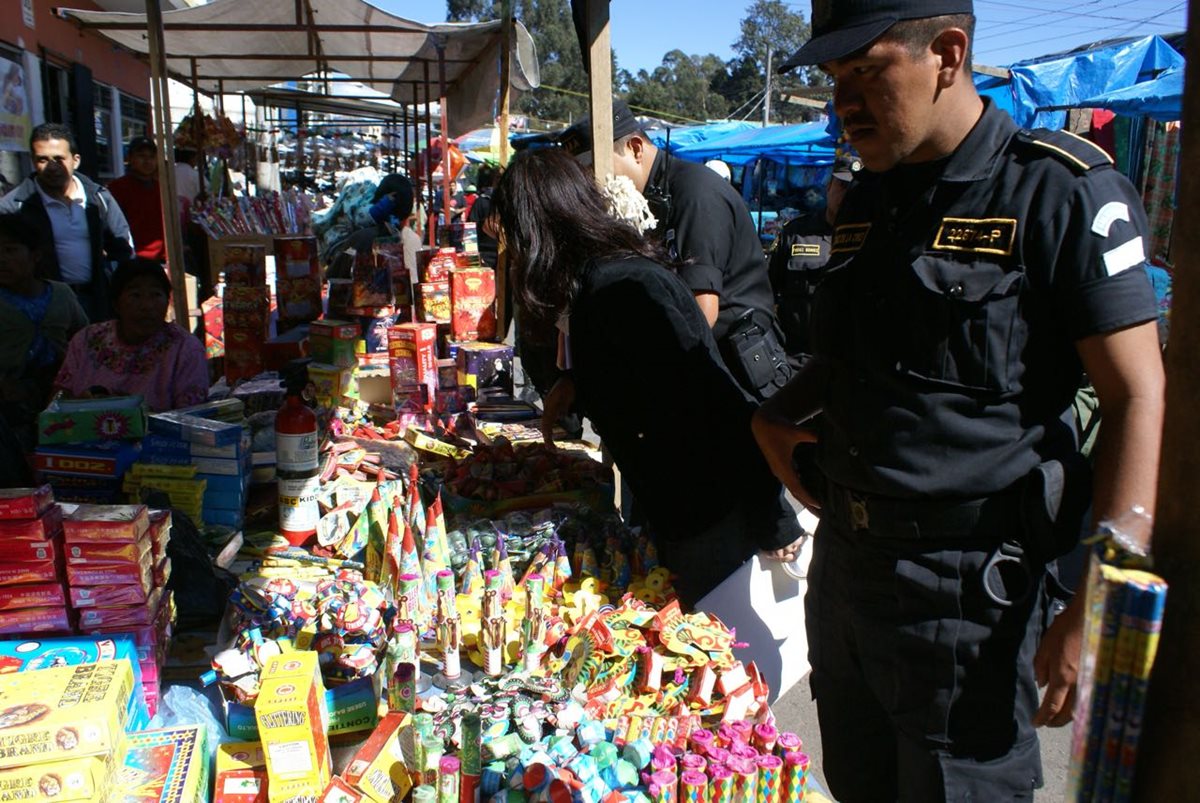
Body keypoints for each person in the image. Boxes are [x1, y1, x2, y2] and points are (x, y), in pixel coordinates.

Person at [753, 3, 1165, 801]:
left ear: (948, 52)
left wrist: (1099, 600)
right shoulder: (869, 197)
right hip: (848, 575)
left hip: (970, 598)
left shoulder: (1060, 190)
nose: (844, 101)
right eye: (835, 79)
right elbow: (843, 362)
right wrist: (771, 418)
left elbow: (1138, 392)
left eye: (867, 72)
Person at [493, 148, 804, 607]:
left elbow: (715, 402)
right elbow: (635, 377)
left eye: (515, 238)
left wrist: (773, 518)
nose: (514, 254)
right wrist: (575, 384)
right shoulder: (598, 283)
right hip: (674, 504)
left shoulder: (621, 288)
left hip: (706, 510)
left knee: (716, 644)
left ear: (538, 230)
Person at [556, 101, 791, 403]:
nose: (592, 184)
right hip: (697, 372)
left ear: (636, 148)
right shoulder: (644, 203)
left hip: (735, 380)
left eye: (594, 169)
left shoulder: (694, 193)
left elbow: (701, 313)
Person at [0, 123, 133, 322]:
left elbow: (123, 248)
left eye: (59, 159)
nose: (52, 167)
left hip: (96, 302)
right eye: (43, 159)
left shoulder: (98, 198)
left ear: (75, 160)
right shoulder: (14, 207)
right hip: (42, 309)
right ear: (33, 161)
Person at [55, 258, 208, 413]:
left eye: (156, 295)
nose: (147, 306)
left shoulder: (186, 349)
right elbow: (59, 398)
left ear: (168, 302)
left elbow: (191, 418)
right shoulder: (87, 340)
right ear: (116, 303)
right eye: (135, 295)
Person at [0, 214, 88, 456]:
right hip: (8, 407)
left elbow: (87, 343)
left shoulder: (62, 294)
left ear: (35, 255)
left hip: (61, 401)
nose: (2, 259)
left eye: (10, 250)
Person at [767, 152, 860, 367]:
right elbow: (765, 290)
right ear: (829, 187)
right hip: (795, 359)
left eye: (855, 190)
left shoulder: (872, 238)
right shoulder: (796, 232)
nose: (847, 195)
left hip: (849, 366)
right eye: (842, 186)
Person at [107, 136, 166, 262]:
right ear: (130, 158)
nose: (148, 161)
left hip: (162, 259)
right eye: (142, 156)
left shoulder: (162, 189)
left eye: (151, 157)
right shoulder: (117, 189)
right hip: (132, 259)